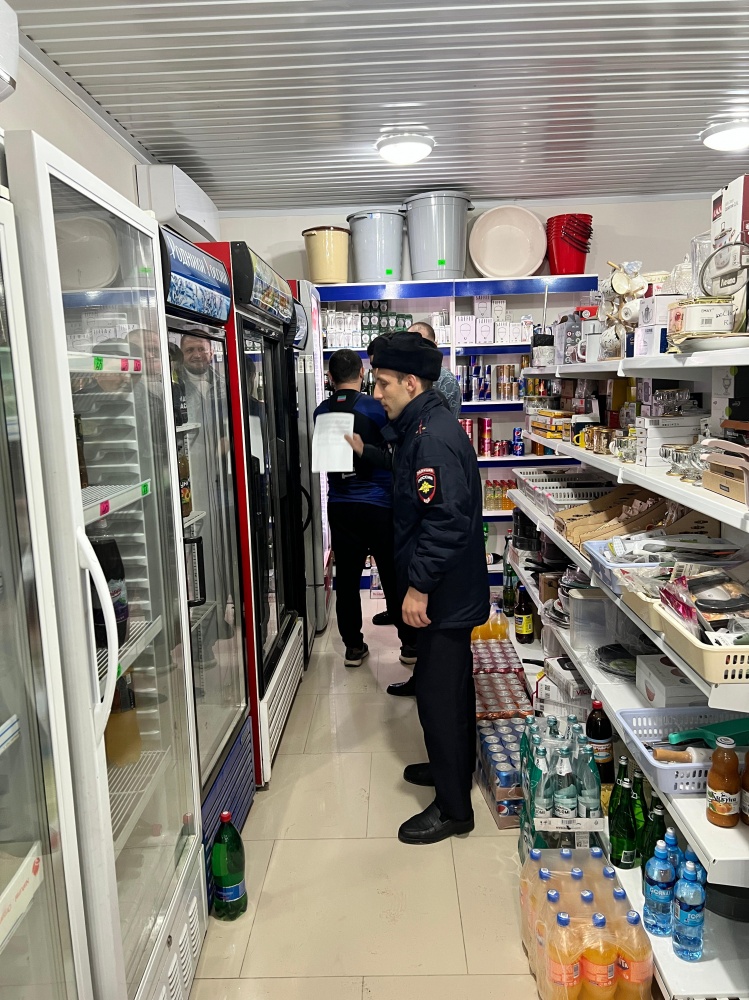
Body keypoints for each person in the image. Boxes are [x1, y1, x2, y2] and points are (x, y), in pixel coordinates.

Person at [348, 330, 488, 844]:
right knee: (449, 688)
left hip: (443, 596)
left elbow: (445, 521)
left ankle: (454, 809)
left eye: (383, 383)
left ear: (410, 382)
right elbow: (412, 481)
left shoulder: (432, 436)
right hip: (449, 591)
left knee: (438, 697)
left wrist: (418, 587)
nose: (376, 393)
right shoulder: (423, 426)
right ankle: (453, 768)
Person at [314, 348, 418, 667]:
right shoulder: (376, 407)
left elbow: (328, 460)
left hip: (341, 505)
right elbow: (395, 452)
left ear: (330, 377)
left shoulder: (321, 412)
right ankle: (409, 645)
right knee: (392, 574)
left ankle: (353, 647)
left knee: (346, 579)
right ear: (362, 373)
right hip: (379, 504)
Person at [408, 321, 461, 417]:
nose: (417, 350)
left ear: (434, 346)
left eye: (422, 344)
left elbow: (450, 421)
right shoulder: (401, 375)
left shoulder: (447, 380)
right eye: (411, 344)